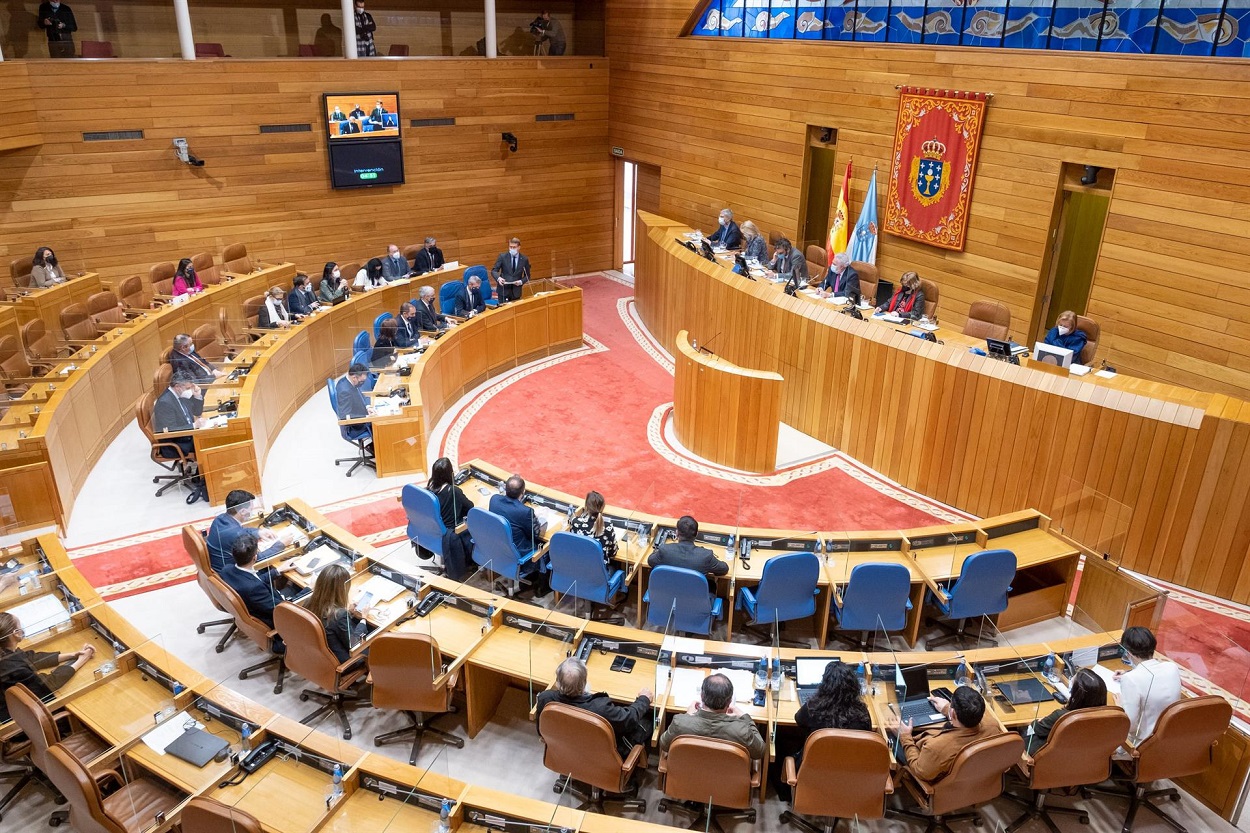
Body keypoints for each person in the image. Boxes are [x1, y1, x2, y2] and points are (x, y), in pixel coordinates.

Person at [773, 661, 873, 797]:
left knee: (781, 737)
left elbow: (798, 720)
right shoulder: (862, 713)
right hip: (848, 776)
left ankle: (786, 792)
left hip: (813, 771)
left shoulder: (814, 708)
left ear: (825, 685)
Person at [536, 658, 652, 756]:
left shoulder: (545, 699)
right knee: (647, 721)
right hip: (601, 756)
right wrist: (644, 699)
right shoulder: (600, 708)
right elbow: (629, 718)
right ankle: (632, 775)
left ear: (557, 681)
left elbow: (542, 731)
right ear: (585, 682)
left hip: (566, 750)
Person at [887, 685, 1000, 783]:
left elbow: (919, 771)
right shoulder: (993, 726)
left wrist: (905, 736)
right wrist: (946, 708)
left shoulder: (936, 748)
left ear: (953, 713)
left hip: (930, 773)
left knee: (891, 736)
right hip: (971, 780)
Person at [0, 612, 94, 721]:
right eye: (20, 626)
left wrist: (73, 655)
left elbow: (31, 658)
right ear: (16, 633)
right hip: (26, 722)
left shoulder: (6, 653)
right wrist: (82, 660)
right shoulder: (13, 667)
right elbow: (48, 683)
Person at [659, 673, 765, 759]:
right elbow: (760, 752)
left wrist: (687, 715)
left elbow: (664, 744)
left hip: (688, 779)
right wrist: (745, 717)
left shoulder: (680, 723)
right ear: (729, 701)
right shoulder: (742, 731)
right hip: (727, 782)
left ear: (702, 696)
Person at [1117, 626, 1182, 745]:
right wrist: (1129, 673)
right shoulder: (1172, 667)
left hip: (1145, 744)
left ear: (1129, 653)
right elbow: (1154, 678)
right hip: (1172, 737)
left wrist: (1120, 706)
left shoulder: (1131, 679)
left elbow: (1129, 726)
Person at [1024, 667, 1106, 753]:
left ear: (1076, 694)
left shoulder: (1062, 717)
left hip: (1041, 756)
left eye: (1071, 680)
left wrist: (1038, 721)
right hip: (1078, 758)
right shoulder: (1105, 717)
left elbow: (1035, 729)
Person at [205, 490, 288, 573]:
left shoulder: (219, 519)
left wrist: (258, 532)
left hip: (219, 566)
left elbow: (242, 530)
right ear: (243, 511)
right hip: (233, 575)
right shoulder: (237, 536)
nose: (252, 512)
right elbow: (255, 559)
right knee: (275, 567)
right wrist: (281, 545)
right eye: (251, 509)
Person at [219, 534, 288, 631]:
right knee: (302, 590)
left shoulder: (226, 570)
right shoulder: (254, 589)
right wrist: (309, 588)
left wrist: (277, 571)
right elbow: (283, 610)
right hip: (277, 617)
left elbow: (252, 580)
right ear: (254, 558)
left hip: (261, 604)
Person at [307, 564, 370, 664]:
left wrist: (349, 613)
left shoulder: (309, 603)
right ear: (342, 589)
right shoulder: (339, 615)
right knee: (378, 640)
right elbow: (355, 643)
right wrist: (363, 619)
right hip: (344, 661)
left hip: (319, 657)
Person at [426, 457, 475, 578]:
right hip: (450, 533)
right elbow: (470, 507)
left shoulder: (429, 489)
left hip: (431, 530)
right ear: (450, 473)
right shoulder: (453, 492)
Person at [648, 515, 728, 580]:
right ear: (696, 534)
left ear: (677, 533)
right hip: (695, 598)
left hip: (666, 596)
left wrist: (657, 549)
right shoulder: (705, 556)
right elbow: (724, 569)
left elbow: (650, 561)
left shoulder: (665, 550)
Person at [151, 371, 205, 458]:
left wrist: (197, 396)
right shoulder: (165, 403)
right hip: (177, 443)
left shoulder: (181, 394)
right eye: (188, 388)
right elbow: (170, 430)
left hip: (187, 434)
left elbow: (197, 412)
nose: (190, 390)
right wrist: (194, 425)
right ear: (177, 387)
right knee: (209, 442)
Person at [568, 490, 618, 563]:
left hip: (577, 567)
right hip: (598, 572)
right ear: (602, 508)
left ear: (586, 507)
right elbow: (613, 553)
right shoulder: (607, 527)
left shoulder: (575, 522)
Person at [335, 363, 374, 448]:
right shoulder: (345, 391)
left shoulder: (347, 381)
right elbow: (345, 416)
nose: (362, 384)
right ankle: (377, 450)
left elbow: (359, 394)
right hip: (353, 426)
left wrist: (367, 407)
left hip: (360, 414)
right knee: (381, 423)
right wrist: (367, 416)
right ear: (354, 378)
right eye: (361, 381)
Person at [491, 238, 530, 303]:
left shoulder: (524, 259)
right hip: (503, 290)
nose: (512, 249)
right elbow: (494, 271)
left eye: (514, 247)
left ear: (519, 247)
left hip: (516, 291)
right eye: (510, 247)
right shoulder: (502, 257)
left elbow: (527, 276)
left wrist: (521, 281)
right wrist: (499, 278)